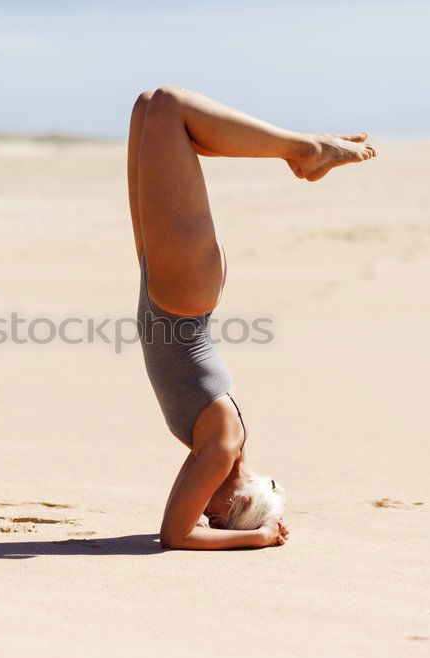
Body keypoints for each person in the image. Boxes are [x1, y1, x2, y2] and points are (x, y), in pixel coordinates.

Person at [128, 86, 376, 550]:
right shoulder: (222, 446)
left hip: (164, 287)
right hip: (183, 294)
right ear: (236, 503)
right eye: (215, 516)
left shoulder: (216, 448)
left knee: (148, 112)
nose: (204, 510)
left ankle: (304, 149)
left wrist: (252, 528)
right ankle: (305, 150)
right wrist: (258, 537)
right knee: (169, 108)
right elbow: (176, 535)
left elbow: (180, 524)